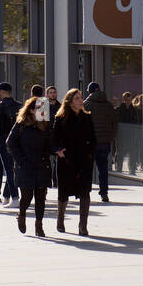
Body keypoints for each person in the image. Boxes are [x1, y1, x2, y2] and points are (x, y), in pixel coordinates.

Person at [7, 96, 54, 237]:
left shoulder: (45, 124)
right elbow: (10, 143)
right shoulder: (21, 124)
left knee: (41, 197)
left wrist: (54, 150)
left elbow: (50, 144)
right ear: (31, 110)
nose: (42, 111)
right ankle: (22, 214)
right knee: (26, 196)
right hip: (25, 165)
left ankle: (39, 225)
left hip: (42, 165)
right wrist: (20, 160)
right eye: (39, 108)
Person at [52, 88, 96, 236]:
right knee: (64, 192)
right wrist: (58, 150)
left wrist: (90, 154)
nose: (80, 100)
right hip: (66, 160)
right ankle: (60, 220)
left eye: (81, 97)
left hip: (84, 160)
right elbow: (54, 138)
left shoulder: (87, 117)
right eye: (77, 98)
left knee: (85, 192)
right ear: (69, 101)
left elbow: (93, 138)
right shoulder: (61, 118)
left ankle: (83, 226)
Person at [83, 82, 118, 203]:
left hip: (90, 143)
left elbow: (82, 124)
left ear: (90, 91)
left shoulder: (87, 105)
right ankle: (104, 193)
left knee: (87, 168)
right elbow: (115, 123)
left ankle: (85, 193)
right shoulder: (109, 105)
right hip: (105, 142)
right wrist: (110, 137)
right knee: (103, 169)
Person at [0, 82, 21, 203]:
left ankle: (15, 198)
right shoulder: (19, 106)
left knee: (8, 169)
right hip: (18, 141)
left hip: (3, 140)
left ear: (2, 92)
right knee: (14, 168)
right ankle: (7, 196)